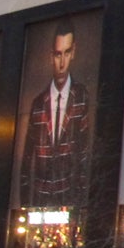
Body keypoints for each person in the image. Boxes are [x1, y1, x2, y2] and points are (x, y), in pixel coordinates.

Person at [18, 19, 93, 209]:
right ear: (52, 56)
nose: (62, 62)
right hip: (41, 198)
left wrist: (82, 202)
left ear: (73, 52)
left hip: (69, 196)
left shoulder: (81, 96)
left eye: (67, 53)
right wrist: (26, 204)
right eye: (58, 54)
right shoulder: (37, 104)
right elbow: (27, 160)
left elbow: (84, 154)